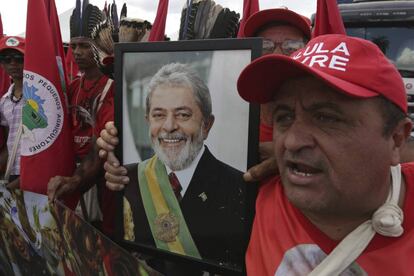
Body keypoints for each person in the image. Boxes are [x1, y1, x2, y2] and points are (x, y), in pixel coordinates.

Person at [236, 34, 414, 275]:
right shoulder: (254, 191)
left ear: (396, 139)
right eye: (284, 116)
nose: (292, 141)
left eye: (326, 118)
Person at [99, 63, 246, 274]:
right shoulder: (126, 178)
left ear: (207, 125)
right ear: (148, 121)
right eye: (158, 115)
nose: (169, 126)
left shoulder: (239, 188)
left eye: (183, 115)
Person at [47, 3, 116, 238]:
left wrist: (75, 180)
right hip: (72, 174)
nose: (76, 52)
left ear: (97, 47)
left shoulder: (112, 88)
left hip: (103, 180)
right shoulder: (74, 86)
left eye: (84, 46)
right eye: (73, 45)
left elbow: (101, 147)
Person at [242, 8, 311, 180]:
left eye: (292, 46)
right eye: (265, 46)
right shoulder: (235, 112)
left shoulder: (326, 111)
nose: (277, 55)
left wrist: (285, 153)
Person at [0, 36, 25, 188]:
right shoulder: (4, 102)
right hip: (13, 172)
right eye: (6, 59)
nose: (13, 64)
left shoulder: (41, 97)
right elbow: (10, 142)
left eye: (18, 58)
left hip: (38, 171)